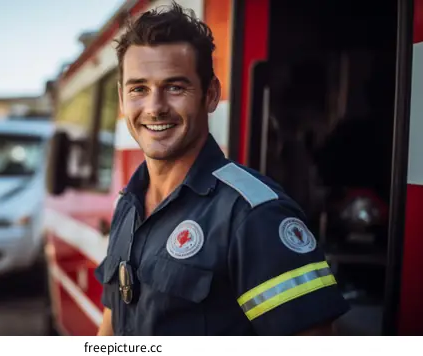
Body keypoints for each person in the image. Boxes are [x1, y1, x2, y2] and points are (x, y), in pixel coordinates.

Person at [93, 2, 350, 336]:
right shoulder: (129, 202)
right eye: (139, 88)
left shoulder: (255, 214)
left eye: (175, 87)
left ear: (210, 95)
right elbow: (112, 323)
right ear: (122, 98)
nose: (154, 107)